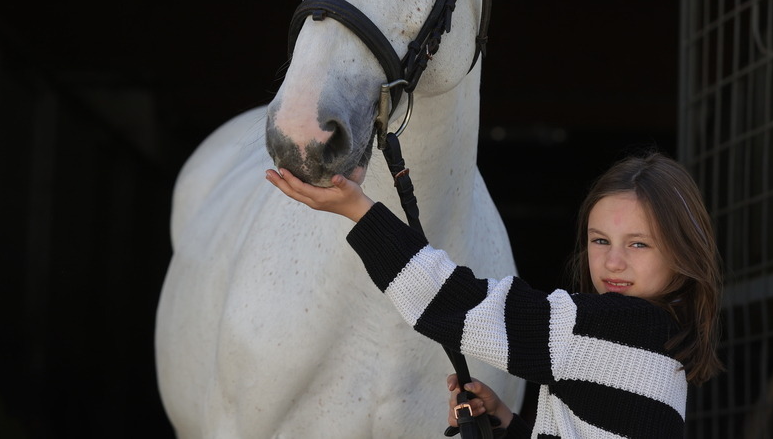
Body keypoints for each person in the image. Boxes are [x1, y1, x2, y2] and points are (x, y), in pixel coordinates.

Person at [266, 151, 723, 438]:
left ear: (682, 253)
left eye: (639, 244)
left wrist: (360, 212)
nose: (613, 261)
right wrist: (504, 419)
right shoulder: (666, 344)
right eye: (600, 240)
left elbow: (457, 303)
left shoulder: (619, 325)